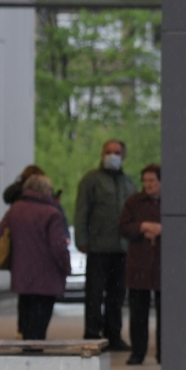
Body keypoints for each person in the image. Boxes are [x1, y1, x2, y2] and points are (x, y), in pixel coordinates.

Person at [0, 174, 70, 341]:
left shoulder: (16, 209)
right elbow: (58, 247)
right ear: (46, 190)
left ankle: (27, 350)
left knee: (27, 320)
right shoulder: (52, 213)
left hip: (22, 274)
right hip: (46, 278)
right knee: (40, 324)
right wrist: (66, 266)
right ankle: (35, 354)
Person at [74, 140, 134, 351]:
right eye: (108, 152)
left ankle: (113, 334)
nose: (112, 155)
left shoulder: (128, 183)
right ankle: (92, 333)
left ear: (123, 155)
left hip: (122, 249)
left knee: (117, 296)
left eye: (116, 152)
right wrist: (81, 240)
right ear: (102, 154)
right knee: (94, 294)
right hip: (98, 247)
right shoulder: (92, 180)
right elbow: (82, 211)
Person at [119, 164, 162, 365]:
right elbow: (123, 227)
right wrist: (142, 226)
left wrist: (161, 230)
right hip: (139, 265)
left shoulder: (172, 201)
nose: (148, 185)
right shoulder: (134, 202)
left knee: (166, 312)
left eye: (152, 181)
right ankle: (138, 351)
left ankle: (164, 352)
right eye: (145, 181)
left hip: (163, 265)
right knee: (138, 313)